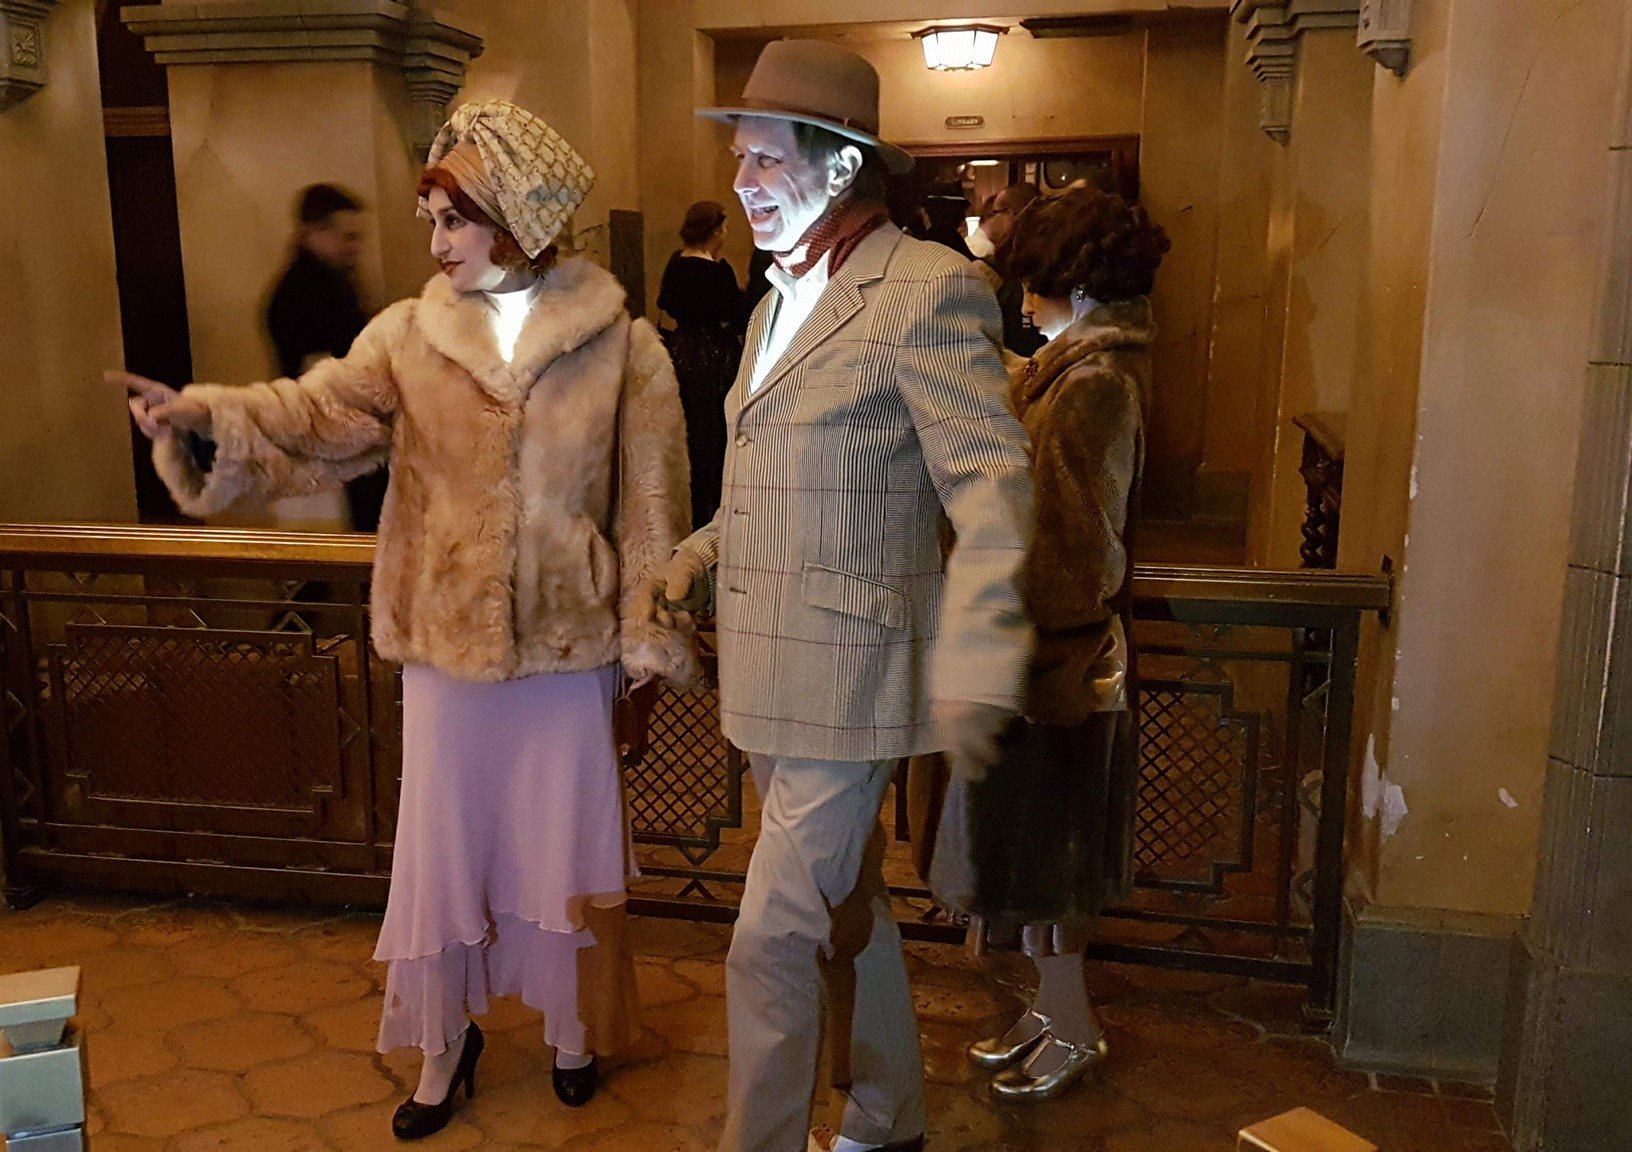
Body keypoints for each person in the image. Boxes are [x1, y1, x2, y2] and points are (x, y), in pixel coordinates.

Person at [113, 101, 698, 1142]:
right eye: (431, 219)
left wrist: (649, 635)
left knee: (562, 849)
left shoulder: (624, 346)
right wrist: (205, 413)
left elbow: (651, 503)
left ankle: (571, 1032)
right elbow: (315, 415)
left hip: (567, 658)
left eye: (454, 220)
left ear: (518, 218)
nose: (435, 243)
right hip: (441, 650)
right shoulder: (407, 335)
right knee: (443, 852)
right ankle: (443, 1043)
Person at [663, 40, 1035, 1152]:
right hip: (768, 663)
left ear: (837, 166)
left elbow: (995, 490)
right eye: (737, 158)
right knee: (843, 911)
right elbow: (762, 486)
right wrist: (688, 561)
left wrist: (981, 652)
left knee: (768, 940)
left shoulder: (927, 289)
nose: (740, 181)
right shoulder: (773, 302)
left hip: (855, 675)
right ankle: (887, 1114)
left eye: (763, 159)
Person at [928, 186, 1169, 1101]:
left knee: (1050, 869)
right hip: (1041, 662)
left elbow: (1075, 555)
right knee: (1030, 865)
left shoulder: (1094, 384)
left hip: (1056, 668)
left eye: (1037, 281)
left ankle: (1075, 1028)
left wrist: (993, 603)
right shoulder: (1069, 372)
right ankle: (1049, 1014)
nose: (1024, 300)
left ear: (1079, 283)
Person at [264, 183, 385, 531]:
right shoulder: (307, 294)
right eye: (348, 237)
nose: (355, 247)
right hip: (332, 438)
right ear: (314, 233)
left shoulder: (323, 283)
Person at [657, 200, 748, 527]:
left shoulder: (675, 264)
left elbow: (665, 303)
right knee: (714, 436)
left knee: (688, 433)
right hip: (713, 358)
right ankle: (711, 513)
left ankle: (688, 511)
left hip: (681, 352)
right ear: (715, 231)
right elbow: (736, 314)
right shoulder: (718, 271)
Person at [976, 183, 1045, 359]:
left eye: (993, 213)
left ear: (1011, 214)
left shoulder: (989, 269)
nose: (986, 221)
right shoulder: (1051, 257)